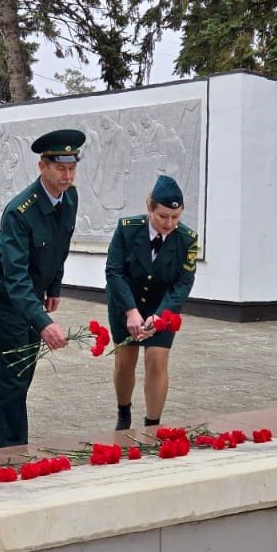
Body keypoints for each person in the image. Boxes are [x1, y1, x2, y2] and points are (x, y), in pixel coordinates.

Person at [0, 129, 84, 448]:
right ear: (42, 167)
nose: (67, 175)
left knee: (22, 376)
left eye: (72, 167)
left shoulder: (71, 197)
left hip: (32, 298)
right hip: (3, 301)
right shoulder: (19, 212)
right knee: (12, 378)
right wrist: (43, 322)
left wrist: (54, 286)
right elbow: (15, 278)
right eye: (60, 168)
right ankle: (13, 455)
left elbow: (60, 244)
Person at [105, 174, 198, 430]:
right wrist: (131, 312)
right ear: (150, 208)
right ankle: (124, 414)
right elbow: (113, 271)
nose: (170, 223)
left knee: (157, 361)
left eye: (175, 217)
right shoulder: (127, 229)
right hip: (125, 304)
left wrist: (161, 315)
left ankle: (152, 425)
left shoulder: (187, 239)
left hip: (161, 306)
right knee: (125, 362)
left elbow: (183, 282)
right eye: (163, 216)